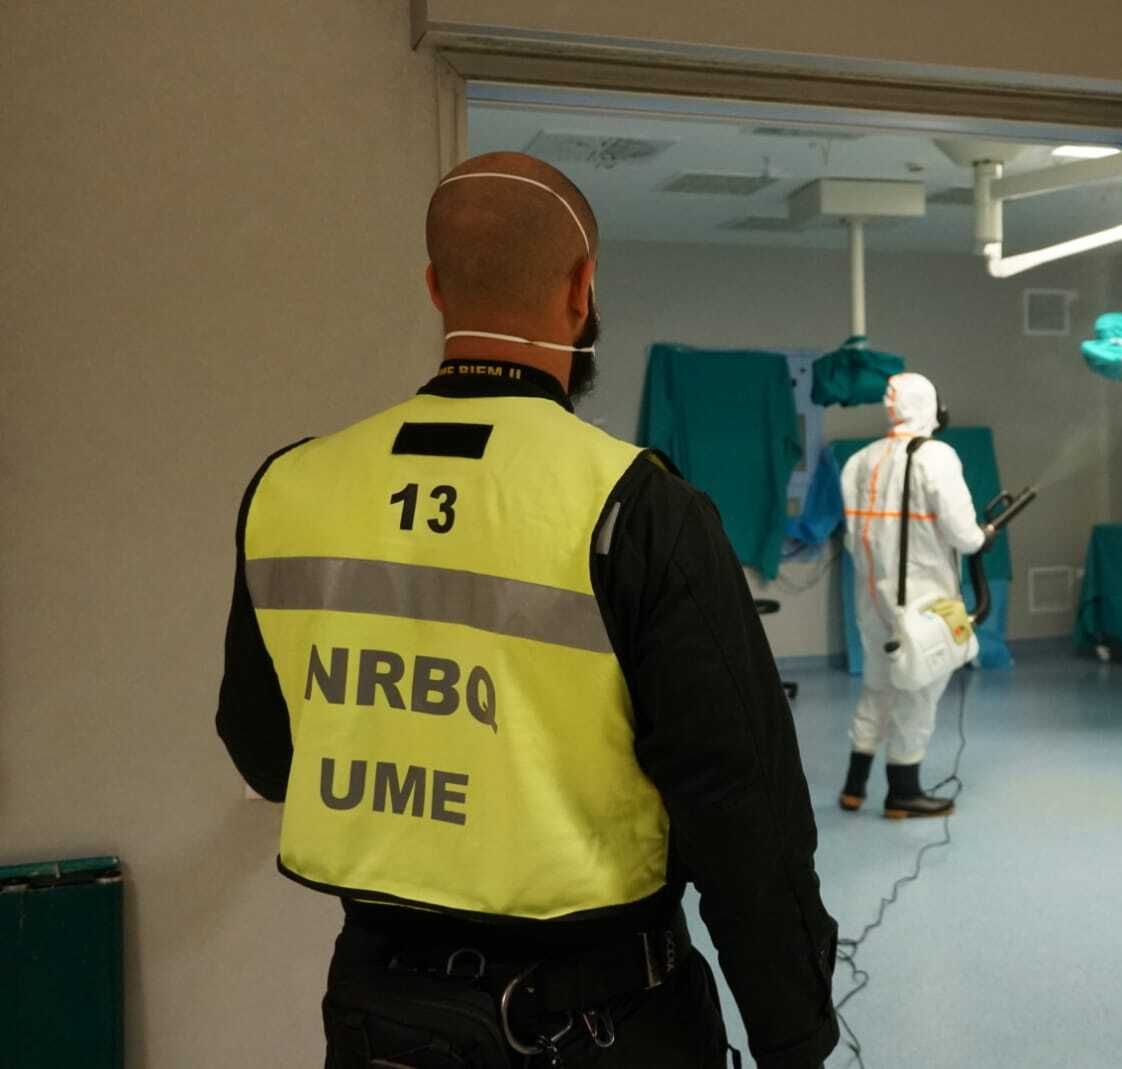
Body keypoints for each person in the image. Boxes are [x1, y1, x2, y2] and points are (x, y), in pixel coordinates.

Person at [216, 151, 838, 1069]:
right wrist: (795, 1037)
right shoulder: (636, 508)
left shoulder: (291, 489)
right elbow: (744, 814)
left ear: (436, 288)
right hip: (599, 1025)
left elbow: (266, 752)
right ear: (582, 289)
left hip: (378, 1018)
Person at [838, 373, 992, 818]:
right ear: (931, 408)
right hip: (923, 603)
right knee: (917, 693)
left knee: (877, 685)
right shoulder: (935, 457)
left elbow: (854, 537)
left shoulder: (860, 460)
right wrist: (983, 537)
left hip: (872, 601)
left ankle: (854, 786)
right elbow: (964, 536)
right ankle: (903, 792)